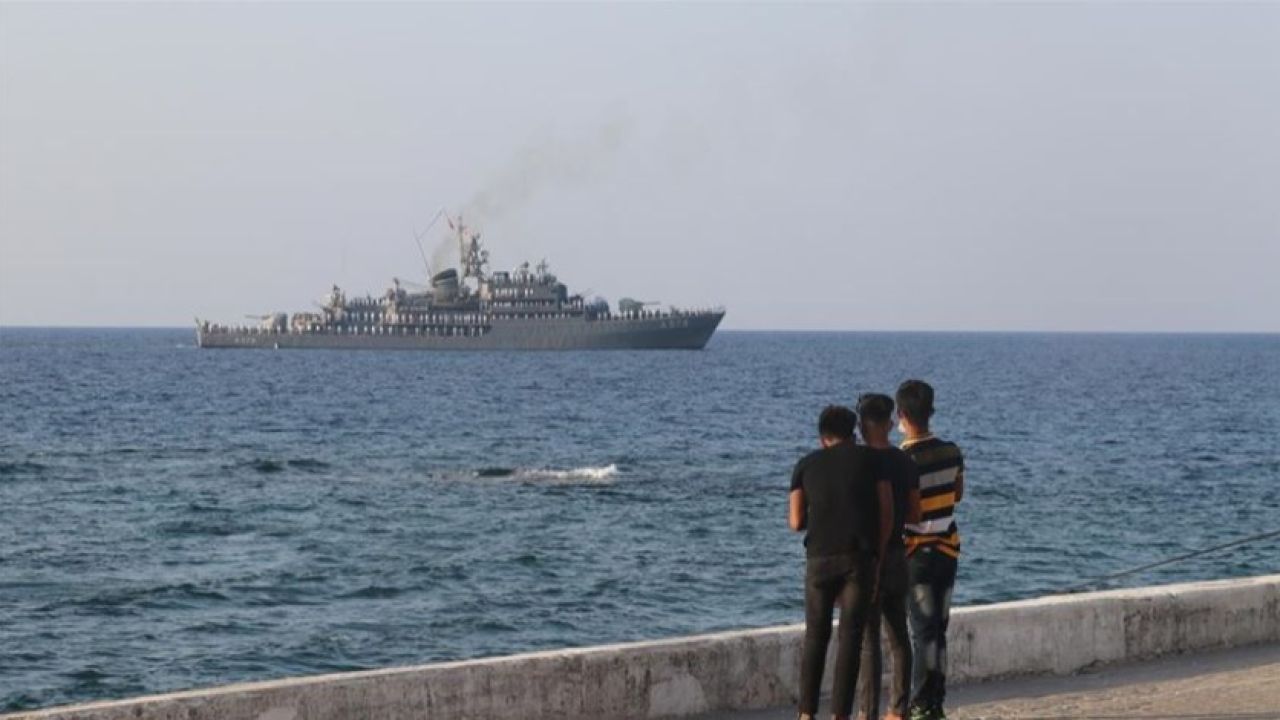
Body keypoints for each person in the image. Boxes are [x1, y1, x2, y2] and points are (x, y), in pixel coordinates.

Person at [789, 405, 893, 720]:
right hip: (858, 559)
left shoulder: (806, 464)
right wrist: (878, 557)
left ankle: (806, 714)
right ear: (854, 433)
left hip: (819, 558)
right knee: (851, 637)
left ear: (823, 438)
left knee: (815, 636)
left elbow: (795, 521)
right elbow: (886, 512)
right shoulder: (874, 461)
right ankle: (840, 716)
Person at [895, 380, 964, 720]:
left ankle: (921, 704)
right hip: (948, 551)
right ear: (931, 411)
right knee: (938, 630)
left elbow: (903, 511)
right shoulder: (952, 451)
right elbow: (957, 494)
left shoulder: (902, 460)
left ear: (902, 414)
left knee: (922, 632)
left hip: (916, 554)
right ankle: (935, 701)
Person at [854, 393, 921, 720]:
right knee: (899, 637)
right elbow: (915, 514)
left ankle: (867, 712)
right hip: (898, 552)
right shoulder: (905, 462)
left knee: (869, 641)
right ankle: (898, 708)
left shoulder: (858, 461)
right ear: (891, 422)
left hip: (868, 558)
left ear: (861, 424)